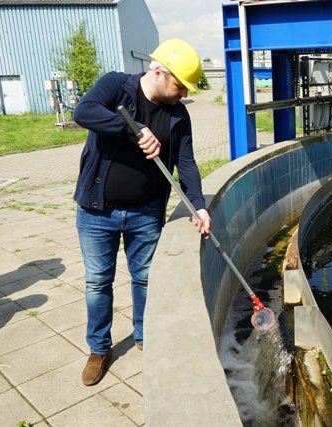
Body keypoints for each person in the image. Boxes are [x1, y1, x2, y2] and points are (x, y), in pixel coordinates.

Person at [73, 39, 211, 386]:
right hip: (97, 212)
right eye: (180, 85)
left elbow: (187, 162)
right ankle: (98, 348)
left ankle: (145, 336)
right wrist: (134, 129)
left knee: (146, 280)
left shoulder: (178, 114)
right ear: (158, 71)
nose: (182, 93)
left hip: (146, 213)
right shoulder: (115, 86)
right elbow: (83, 111)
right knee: (97, 282)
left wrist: (198, 205)